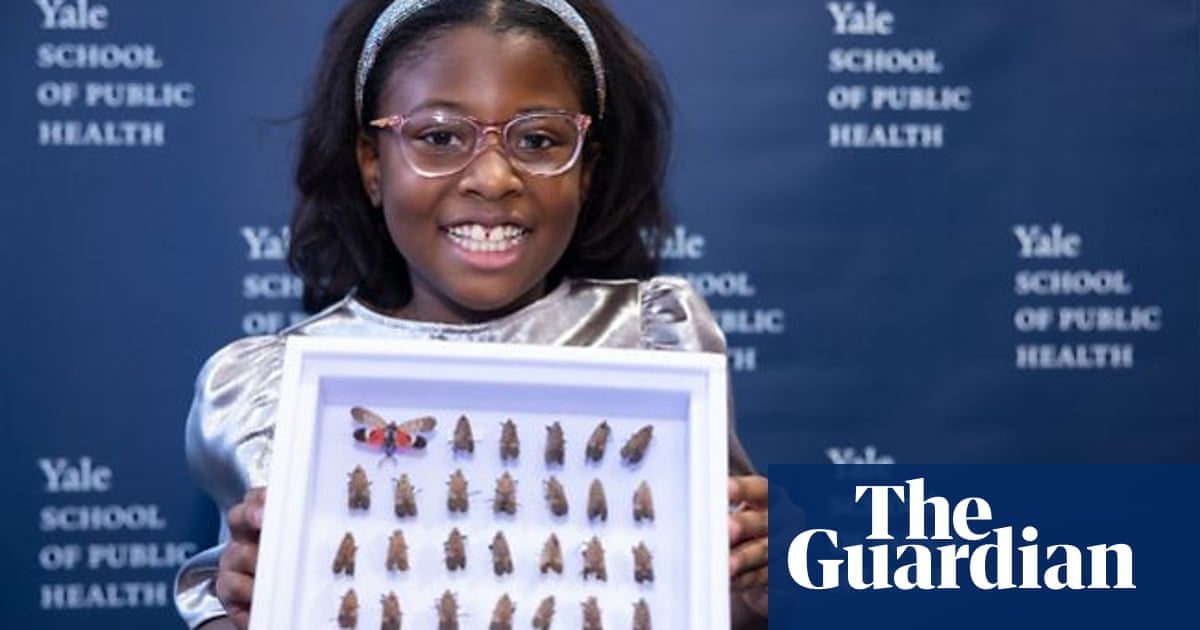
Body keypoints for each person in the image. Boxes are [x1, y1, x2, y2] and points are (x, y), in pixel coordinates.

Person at [174, 0, 769, 627]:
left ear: (587, 169)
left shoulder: (656, 340)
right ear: (372, 164)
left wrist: (763, 585)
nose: (492, 177)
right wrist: (247, 608)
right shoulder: (273, 395)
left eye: (538, 140)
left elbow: (708, 600)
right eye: (439, 137)